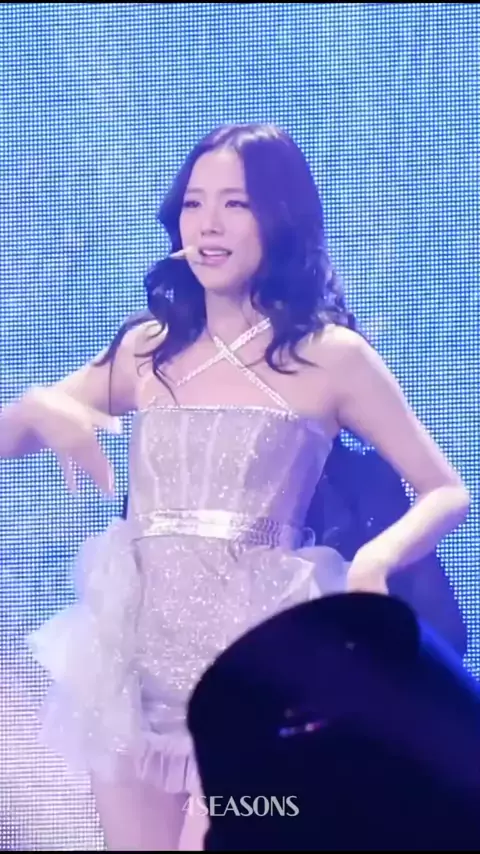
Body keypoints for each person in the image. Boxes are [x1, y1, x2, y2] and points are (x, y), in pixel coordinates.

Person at [0, 122, 470, 850]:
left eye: (236, 203)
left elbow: (445, 489)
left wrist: (375, 562)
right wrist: (36, 406)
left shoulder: (331, 356)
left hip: (257, 667)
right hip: (132, 663)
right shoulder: (148, 348)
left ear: (280, 217)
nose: (208, 225)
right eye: (194, 203)